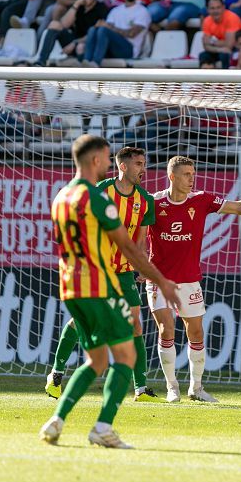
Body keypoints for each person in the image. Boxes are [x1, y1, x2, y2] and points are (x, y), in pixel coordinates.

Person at [38, 136, 181, 449]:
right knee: (126, 354)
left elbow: (61, 241)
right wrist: (163, 281)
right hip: (100, 284)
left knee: (97, 360)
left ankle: (56, 420)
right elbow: (128, 246)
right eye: (105, 158)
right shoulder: (99, 199)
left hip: (71, 287)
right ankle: (103, 427)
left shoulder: (61, 197)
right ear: (94, 161)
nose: (107, 164)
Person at [148, 155, 241, 404]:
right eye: (186, 174)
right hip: (159, 280)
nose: (192, 178)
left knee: (196, 332)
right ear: (172, 176)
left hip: (189, 280)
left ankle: (197, 388)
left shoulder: (202, 200)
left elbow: (240, 207)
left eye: (193, 173)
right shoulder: (153, 202)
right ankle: (172, 388)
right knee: (166, 329)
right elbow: (135, 234)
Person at [46, 146, 164, 405]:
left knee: (135, 326)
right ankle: (56, 373)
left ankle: (141, 388)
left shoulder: (145, 200)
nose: (143, 169)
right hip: (96, 270)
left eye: (144, 164)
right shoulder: (100, 191)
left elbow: (141, 240)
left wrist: (142, 265)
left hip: (123, 273)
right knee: (82, 322)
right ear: (123, 166)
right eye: (138, 164)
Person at [35, 0, 107, 65]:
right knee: (54, 24)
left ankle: (84, 72)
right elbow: (64, 25)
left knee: (81, 46)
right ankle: (41, 61)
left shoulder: (101, 8)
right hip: (73, 40)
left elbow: (97, 34)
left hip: (88, 44)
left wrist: (75, 43)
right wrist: (76, 4)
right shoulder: (79, 6)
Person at [81, 0, 150, 66]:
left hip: (129, 50)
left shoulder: (142, 11)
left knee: (103, 30)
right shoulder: (115, 11)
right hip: (113, 47)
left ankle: (95, 63)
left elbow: (131, 34)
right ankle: (87, 61)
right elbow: (107, 28)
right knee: (93, 29)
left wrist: (108, 27)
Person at [199, 0, 241, 67]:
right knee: (203, 56)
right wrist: (219, 49)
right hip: (219, 49)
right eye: (212, 8)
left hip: (238, 48)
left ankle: (226, 78)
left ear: (223, 7)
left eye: (218, 7)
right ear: (207, 10)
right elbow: (206, 46)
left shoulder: (232, 18)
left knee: (225, 55)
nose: (216, 11)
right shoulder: (206, 21)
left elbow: (229, 45)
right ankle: (207, 78)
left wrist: (212, 41)